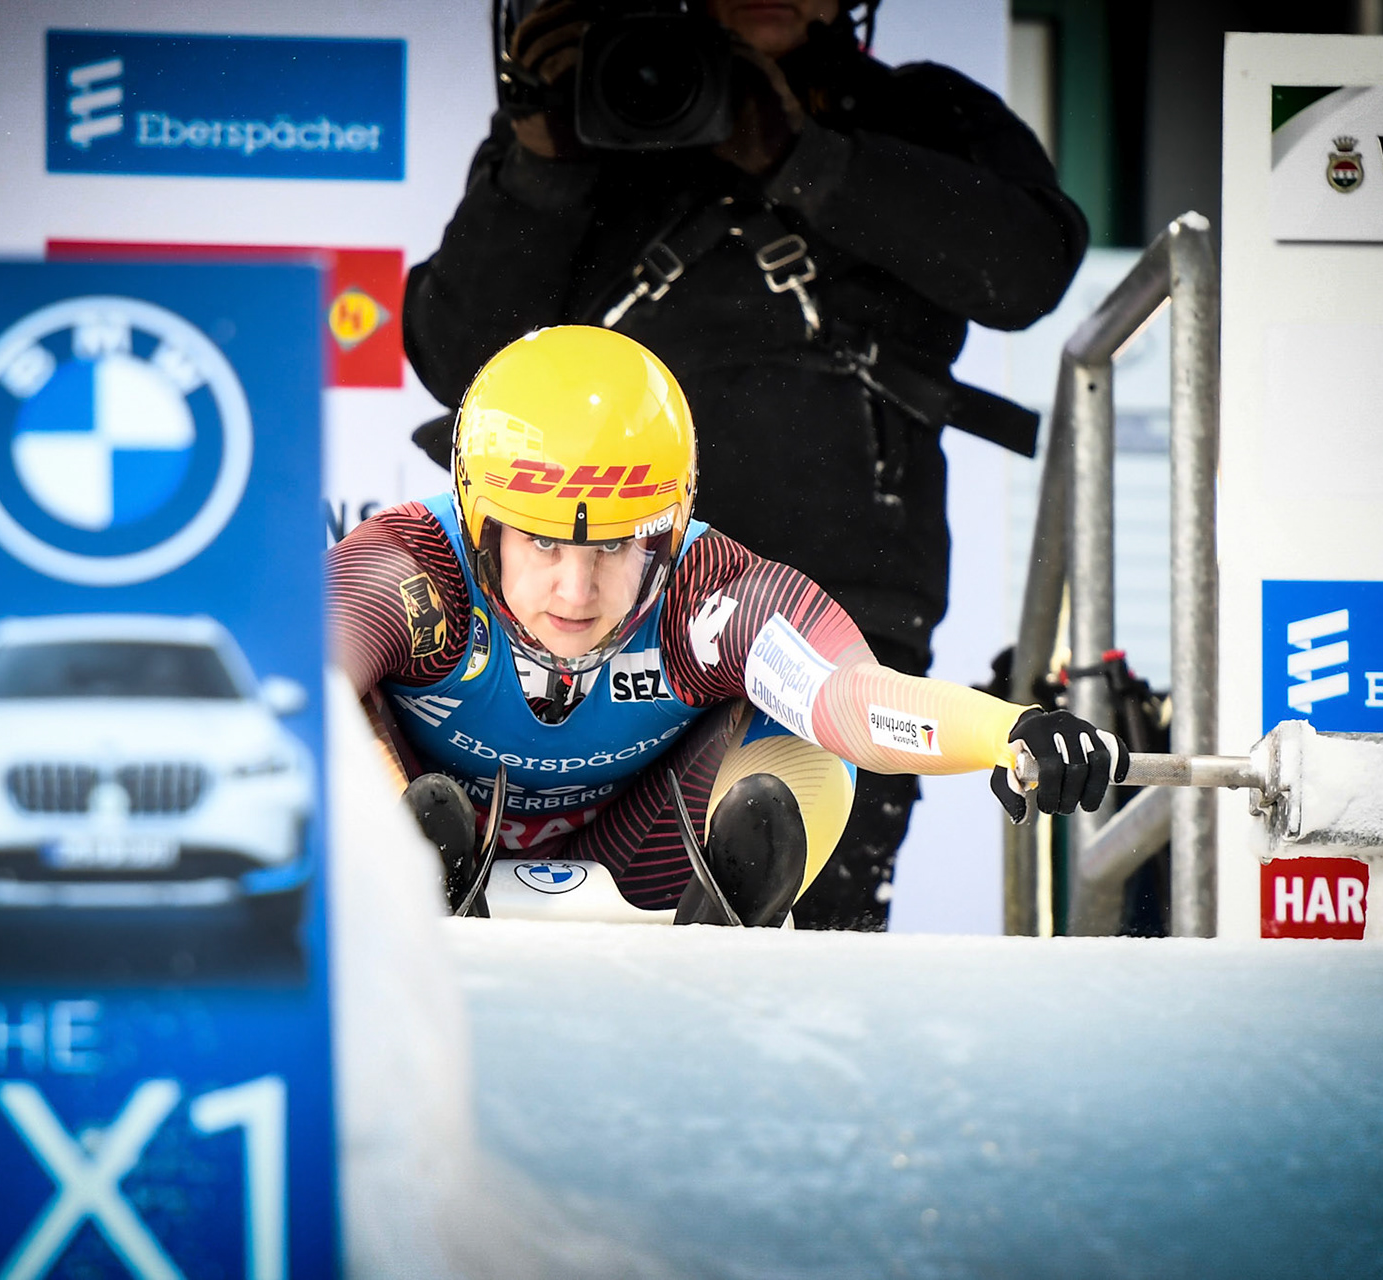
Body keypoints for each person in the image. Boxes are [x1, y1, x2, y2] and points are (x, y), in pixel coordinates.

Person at [402, 0, 1088, 928]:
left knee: (798, 913)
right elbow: (456, 353)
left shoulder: (924, 111)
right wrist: (545, 158)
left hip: (842, 595)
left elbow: (1028, 268)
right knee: (515, 936)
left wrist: (807, 158)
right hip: (597, 596)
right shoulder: (591, 110)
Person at [331, 327, 1121, 924]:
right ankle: (402, 878)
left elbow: (851, 697)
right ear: (478, 523)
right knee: (328, 709)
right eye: (541, 539)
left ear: (671, 530)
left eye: (615, 543)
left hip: (652, 861)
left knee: (811, 736)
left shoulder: (712, 590)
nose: (577, 590)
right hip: (428, 834)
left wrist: (1010, 732)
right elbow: (290, 685)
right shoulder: (407, 563)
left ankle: (728, 916)